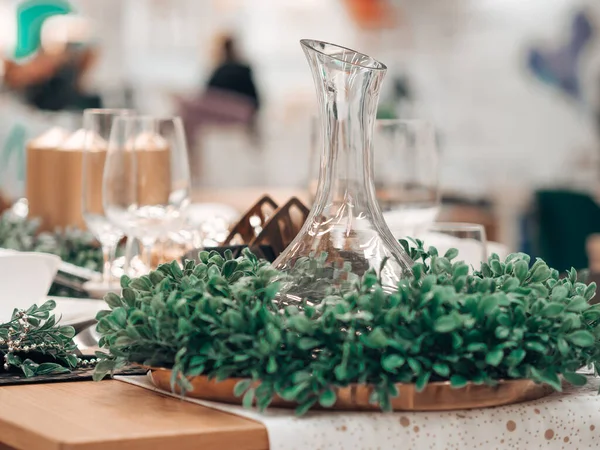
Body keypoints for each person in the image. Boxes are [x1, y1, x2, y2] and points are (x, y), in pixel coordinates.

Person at [206, 36, 260, 112]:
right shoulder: (244, 71)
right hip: (242, 116)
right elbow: (255, 101)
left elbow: (208, 97)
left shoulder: (220, 72)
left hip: (222, 116)